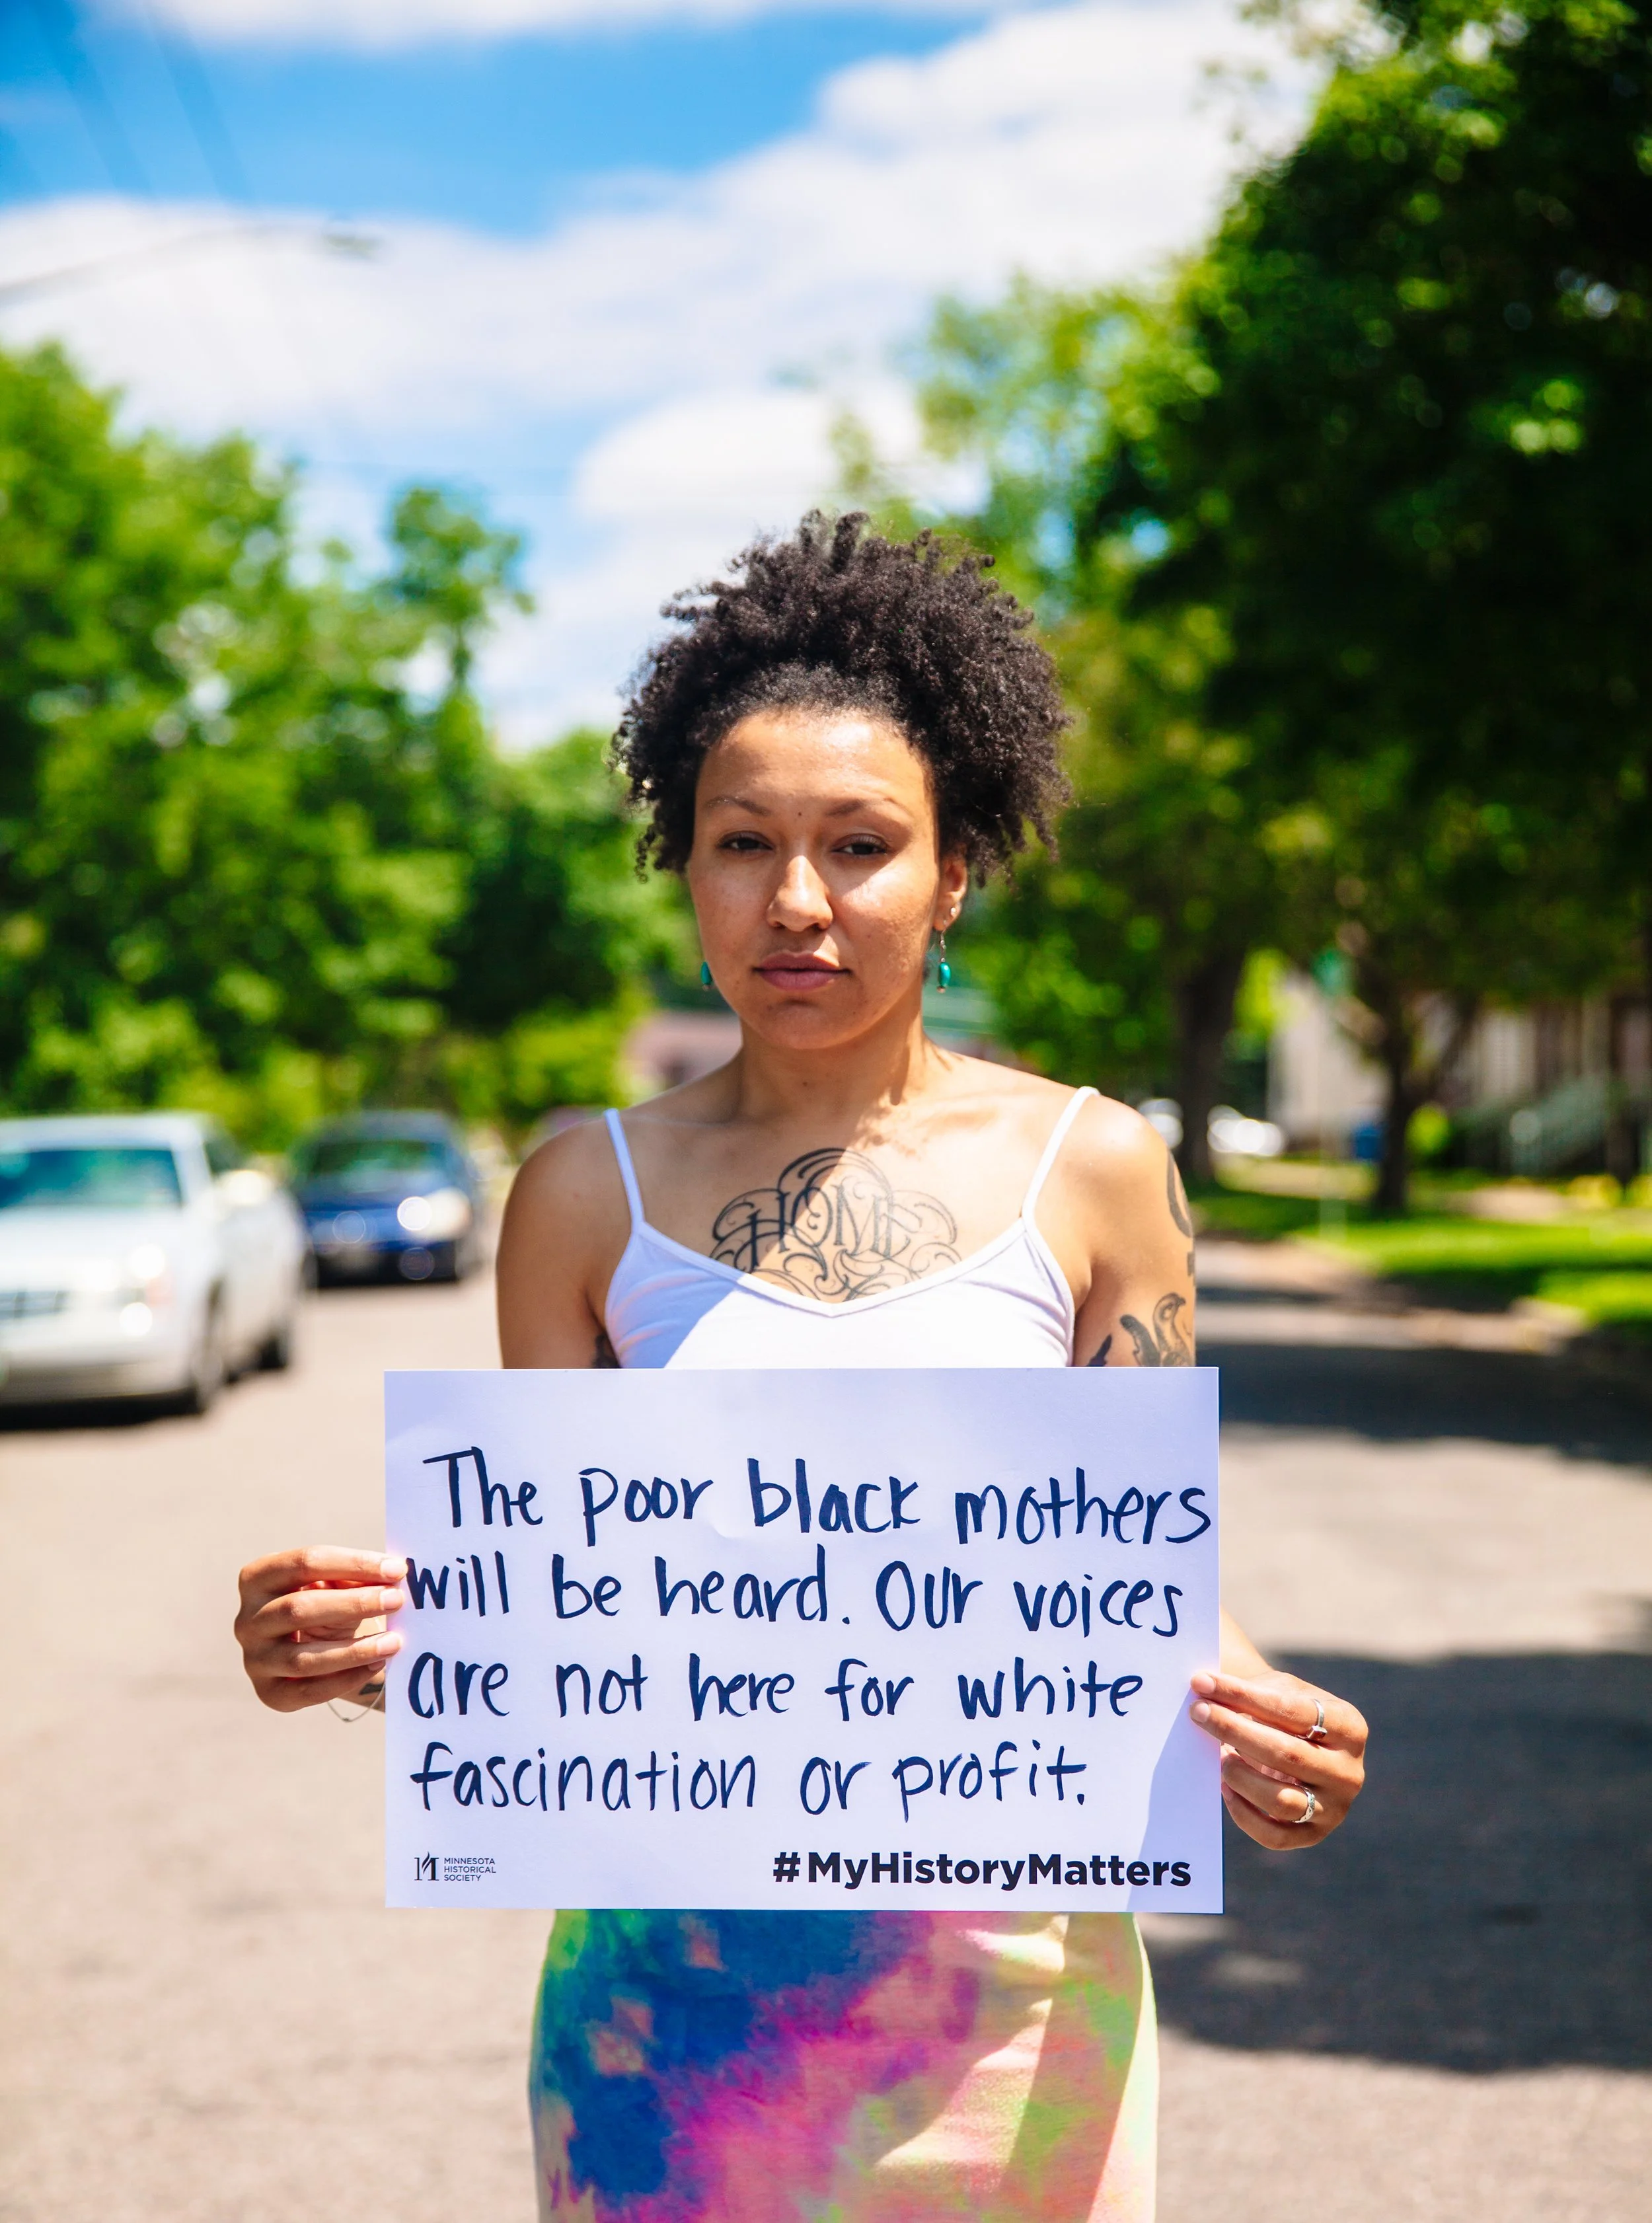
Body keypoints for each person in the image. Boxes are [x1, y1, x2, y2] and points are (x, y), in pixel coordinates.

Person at [235, 513, 1367, 2222]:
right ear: (678, 866)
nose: (797, 900)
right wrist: (366, 1638)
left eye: (861, 842)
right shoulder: (577, 1193)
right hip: (667, 2021)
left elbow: (1136, 1582)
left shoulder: (1096, 1167)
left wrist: (1270, 1725)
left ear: (956, 867)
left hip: (1016, 2010)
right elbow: (560, 1619)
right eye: (740, 841)